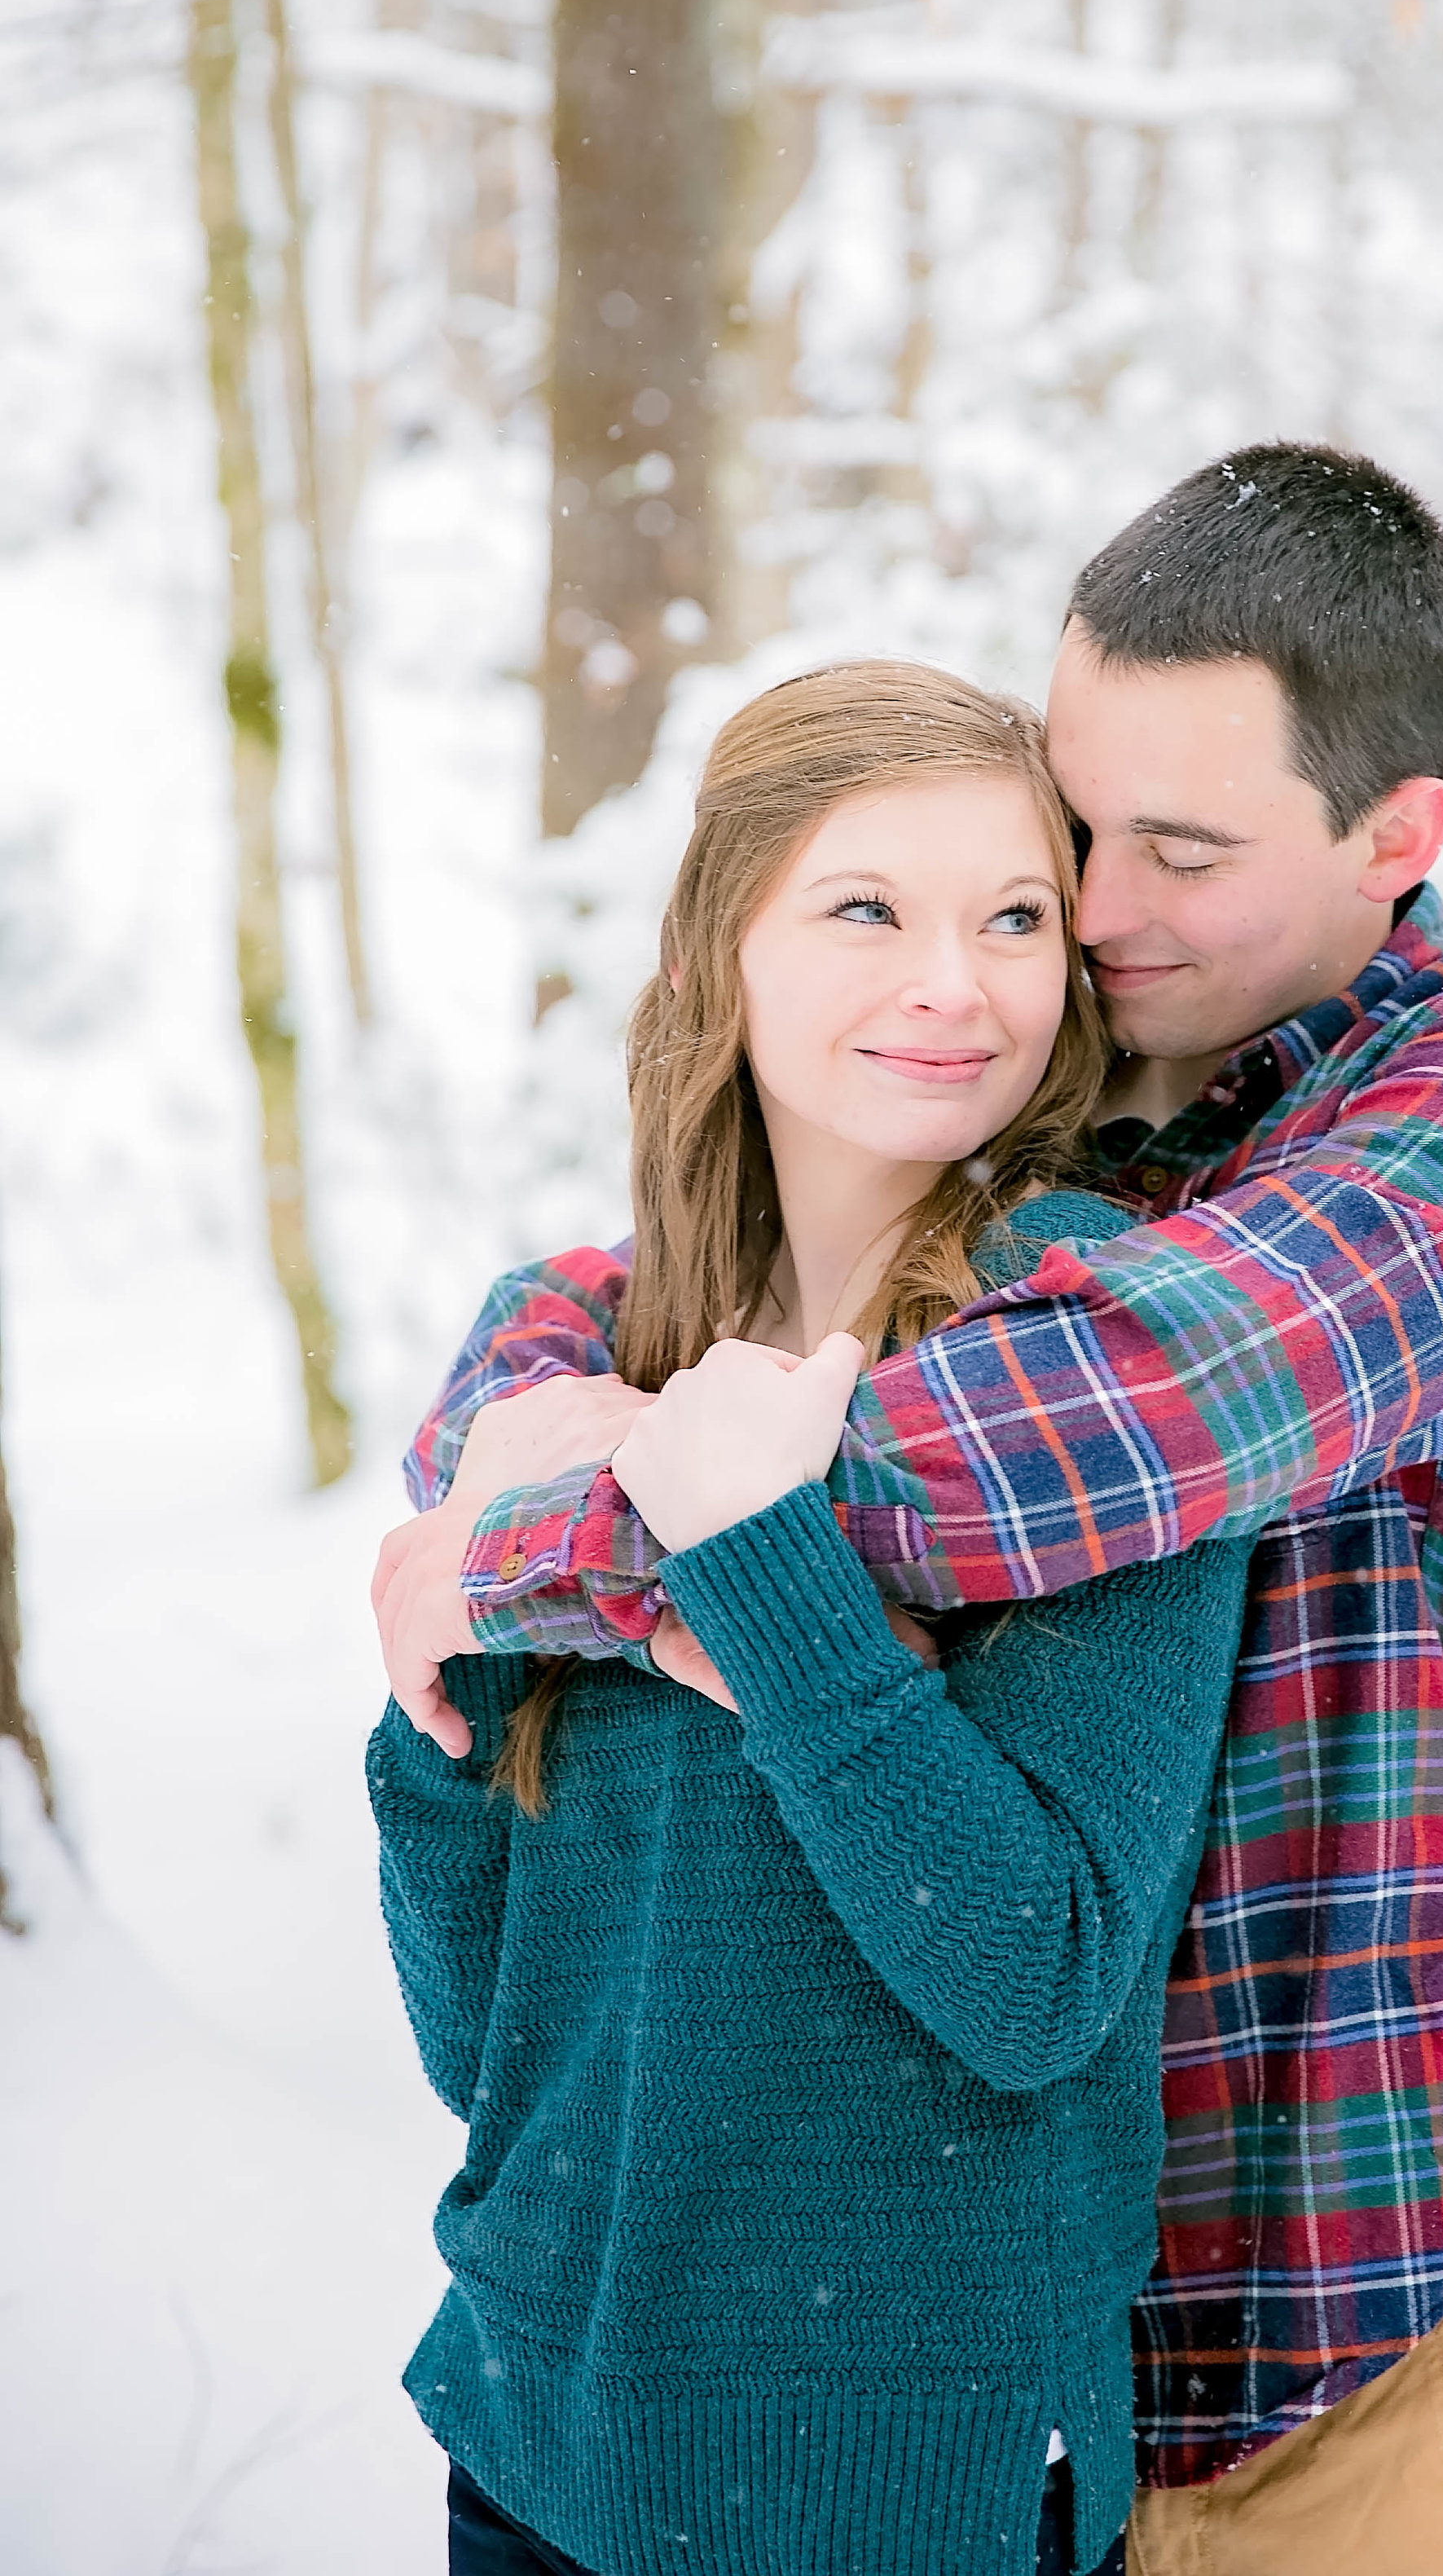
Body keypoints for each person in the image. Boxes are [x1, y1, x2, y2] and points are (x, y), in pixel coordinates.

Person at [379, 443, 1443, 2575]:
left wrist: (539, 1548)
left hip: (1389, 2320)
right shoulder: (1081, 1118)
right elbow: (693, 1314)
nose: (1079, 913)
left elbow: (1084, 1418)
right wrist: (529, 1408)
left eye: (1167, 847)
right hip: (1067, 2365)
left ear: (1397, 836)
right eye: (1067, 828)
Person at [369, 661, 1258, 2576]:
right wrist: (437, 1665)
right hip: (534, 2441)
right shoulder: (573, 1356)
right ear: (717, 953)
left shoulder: (1090, 1355)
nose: (957, 981)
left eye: (1012, 918)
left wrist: (755, 1574)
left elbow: (1031, 1981)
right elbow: (504, 2046)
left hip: (897, 2488)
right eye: (868, 909)